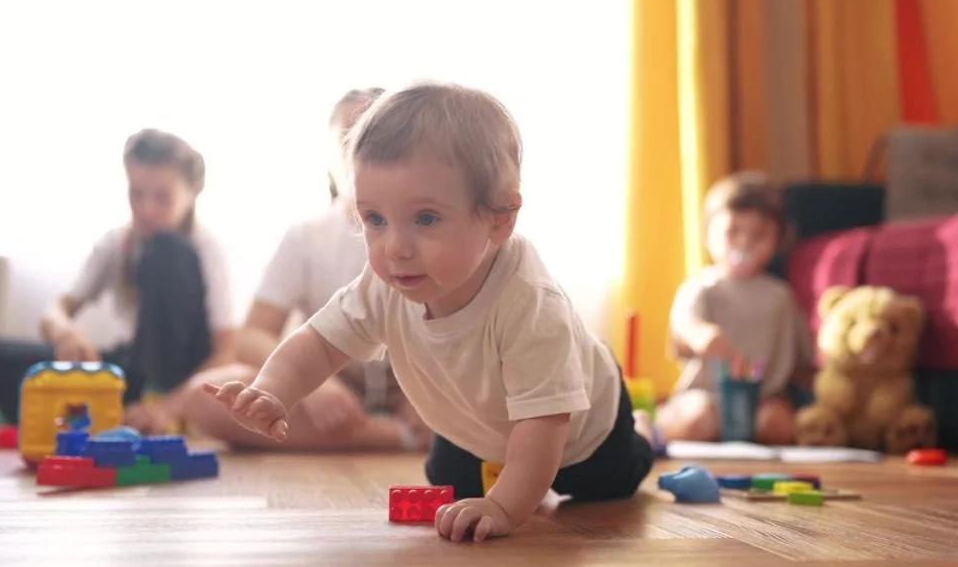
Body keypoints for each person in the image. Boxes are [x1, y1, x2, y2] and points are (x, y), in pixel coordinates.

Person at [203, 82, 654, 542]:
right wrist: (273, 390)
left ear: (499, 219)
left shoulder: (530, 303)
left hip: (579, 430)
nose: (395, 248)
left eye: (425, 219)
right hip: (472, 422)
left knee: (602, 486)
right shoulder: (385, 283)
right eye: (374, 220)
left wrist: (505, 506)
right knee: (449, 485)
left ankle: (642, 443)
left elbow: (545, 423)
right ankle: (506, 473)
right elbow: (319, 343)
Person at [183, 88, 426, 451]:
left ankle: (415, 431)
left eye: (375, 139)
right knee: (206, 396)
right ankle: (401, 438)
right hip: (334, 388)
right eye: (349, 139)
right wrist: (313, 385)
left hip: (424, 390)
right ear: (330, 156)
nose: (361, 151)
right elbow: (252, 336)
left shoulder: (434, 231)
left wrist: (429, 393)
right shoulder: (308, 237)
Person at [0, 129, 236, 434]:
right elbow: (56, 310)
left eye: (162, 197)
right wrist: (65, 333)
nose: (146, 209)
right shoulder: (118, 242)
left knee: (166, 250)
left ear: (192, 193)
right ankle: (89, 416)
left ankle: (137, 410)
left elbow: (225, 353)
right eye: (136, 194)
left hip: (180, 379)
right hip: (131, 368)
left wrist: (169, 405)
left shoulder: (205, 249)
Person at [653, 172, 814, 446]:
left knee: (777, 426)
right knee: (698, 422)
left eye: (759, 235)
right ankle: (655, 423)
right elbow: (683, 327)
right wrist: (701, 335)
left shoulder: (781, 296)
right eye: (732, 232)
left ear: (778, 241)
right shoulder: (704, 286)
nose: (744, 243)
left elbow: (803, 358)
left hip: (764, 397)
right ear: (708, 236)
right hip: (707, 395)